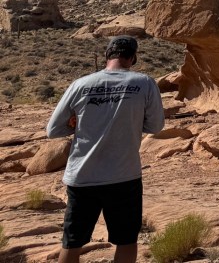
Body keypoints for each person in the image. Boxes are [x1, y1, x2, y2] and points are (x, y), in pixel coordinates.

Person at [46, 36, 165, 263]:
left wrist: (77, 124)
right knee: (126, 241)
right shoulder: (144, 83)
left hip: (82, 177)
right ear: (133, 58)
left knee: (72, 242)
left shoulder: (81, 84)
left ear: (107, 56)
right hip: (124, 176)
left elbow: (53, 130)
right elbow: (156, 126)